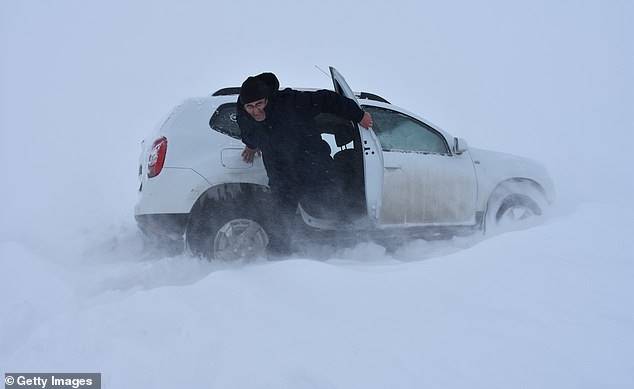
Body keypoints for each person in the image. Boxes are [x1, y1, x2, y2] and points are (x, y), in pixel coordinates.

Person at [236, 72, 373, 254]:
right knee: (280, 220)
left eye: (259, 104)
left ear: (268, 98)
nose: (255, 110)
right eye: (250, 107)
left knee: (337, 207)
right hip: (282, 175)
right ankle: (278, 261)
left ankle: (347, 251)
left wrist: (358, 115)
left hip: (314, 166)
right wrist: (251, 145)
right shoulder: (243, 114)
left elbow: (327, 99)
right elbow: (249, 134)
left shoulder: (291, 101)